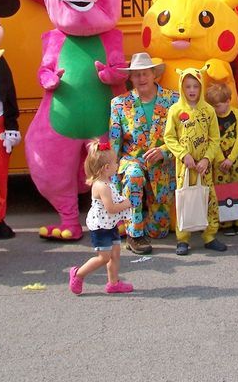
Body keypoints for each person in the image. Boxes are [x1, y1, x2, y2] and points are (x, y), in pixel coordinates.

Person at [109, 52, 179, 255]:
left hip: (162, 167)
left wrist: (165, 152)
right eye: (136, 75)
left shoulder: (173, 100)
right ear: (131, 78)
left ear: (153, 74)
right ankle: (134, 235)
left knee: (160, 232)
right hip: (132, 161)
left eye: (145, 74)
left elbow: (183, 136)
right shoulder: (119, 104)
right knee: (134, 174)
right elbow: (115, 143)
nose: (141, 79)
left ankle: (139, 220)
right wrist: (112, 180)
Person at [164, 67, 227, 255]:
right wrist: (184, 155)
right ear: (181, 88)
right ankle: (183, 239)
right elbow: (169, 137)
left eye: (195, 86)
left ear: (201, 88)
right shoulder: (175, 110)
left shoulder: (208, 111)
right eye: (187, 86)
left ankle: (210, 236)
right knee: (185, 199)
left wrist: (207, 158)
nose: (191, 90)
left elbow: (215, 138)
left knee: (209, 199)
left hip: (204, 167)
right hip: (184, 168)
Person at [69, 140, 133, 295]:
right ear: (106, 168)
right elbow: (110, 208)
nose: (117, 165)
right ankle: (78, 274)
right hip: (101, 227)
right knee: (104, 257)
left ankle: (113, 283)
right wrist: (126, 204)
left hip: (109, 225)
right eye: (115, 163)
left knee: (115, 254)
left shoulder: (107, 182)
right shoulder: (101, 186)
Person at [206, 83, 238, 235]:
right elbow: (212, 139)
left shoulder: (237, 114)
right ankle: (226, 222)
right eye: (213, 106)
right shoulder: (211, 118)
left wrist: (231, 158)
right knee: (222, 190)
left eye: (218, 105)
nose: (215, 109)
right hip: (219, 162)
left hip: (237, 160)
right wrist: (221, 159)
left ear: (228, 100)